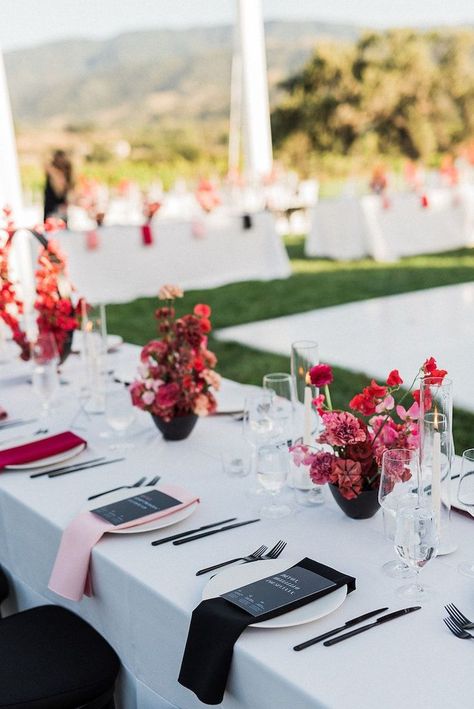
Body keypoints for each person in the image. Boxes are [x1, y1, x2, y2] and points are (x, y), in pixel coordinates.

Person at [43, 150, 73, 222]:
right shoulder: (51, 168)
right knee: (50, 223)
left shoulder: (68, 169)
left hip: (62, 201)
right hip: (51, 201)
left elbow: (67, 187)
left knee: (62, 223)